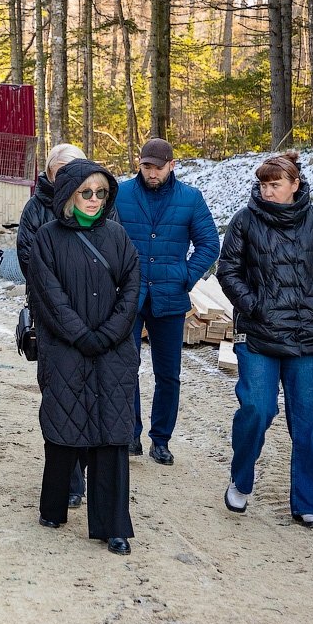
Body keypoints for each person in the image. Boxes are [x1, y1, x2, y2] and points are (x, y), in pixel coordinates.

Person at [216, 151, 313, 529]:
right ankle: (241, 478)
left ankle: (309, 502)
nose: (267, 190)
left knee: (308, 420)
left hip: (307, 337)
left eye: (275, 184)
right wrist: (252, 305)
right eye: (263, 184)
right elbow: (228, 269)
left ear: (295, 184)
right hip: (259, 334)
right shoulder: (245, 221)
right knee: (256, 409)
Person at [29, 159, 140, 555]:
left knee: (112, 434)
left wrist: (108, 334)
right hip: (65, 349)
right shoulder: (47, 238)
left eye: (101, 193)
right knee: (64, 427)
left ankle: (113, 526)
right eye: (86, 193)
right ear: (69, 196)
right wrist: (80, 334)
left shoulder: (118, 237)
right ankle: (54, 506)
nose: (94, 200)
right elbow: (49, 296)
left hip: (112, 351)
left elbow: (131, 289)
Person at [114, 137, 220, 466]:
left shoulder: (190, 198)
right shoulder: (121, 193)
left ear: (171, 165)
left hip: (170, 299)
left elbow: (209, 244)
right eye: (146, 166)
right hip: (128, 297)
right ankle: (129, 433)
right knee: (125, 369)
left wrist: (185, 276)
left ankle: (161, 439)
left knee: (168, 374)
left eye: (158, 168)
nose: (151, 173)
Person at [17, 143, 89, 507]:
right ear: (48, 175)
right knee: (59, 398)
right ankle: (70, 479)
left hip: (94, 319)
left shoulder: (98, 203)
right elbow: (29, 259)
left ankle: (86, 468)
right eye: (59, 173)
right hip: (51, 318)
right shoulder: (36, 209)